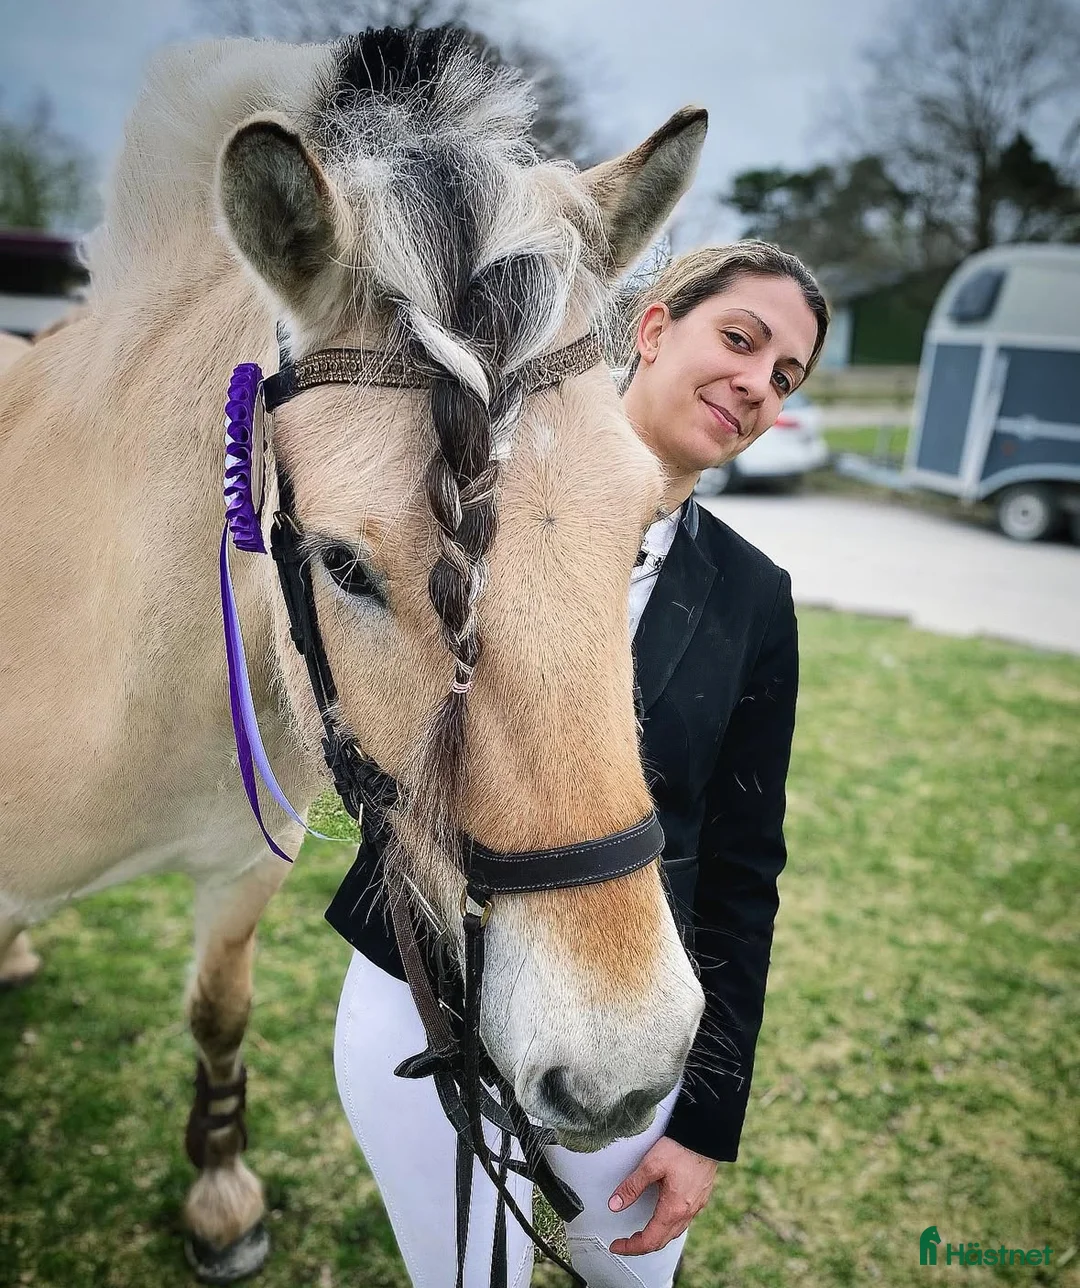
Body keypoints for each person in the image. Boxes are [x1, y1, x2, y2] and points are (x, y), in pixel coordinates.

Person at [326, 240, 830, 1287]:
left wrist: (708, 1121)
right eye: (740, 339)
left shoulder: (752, 597)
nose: (757, 383)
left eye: (786, 377)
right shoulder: (464, 504)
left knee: (628, 1280)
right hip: (420, 986)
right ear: (651, 328)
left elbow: (744, 869)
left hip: (622, 1003)